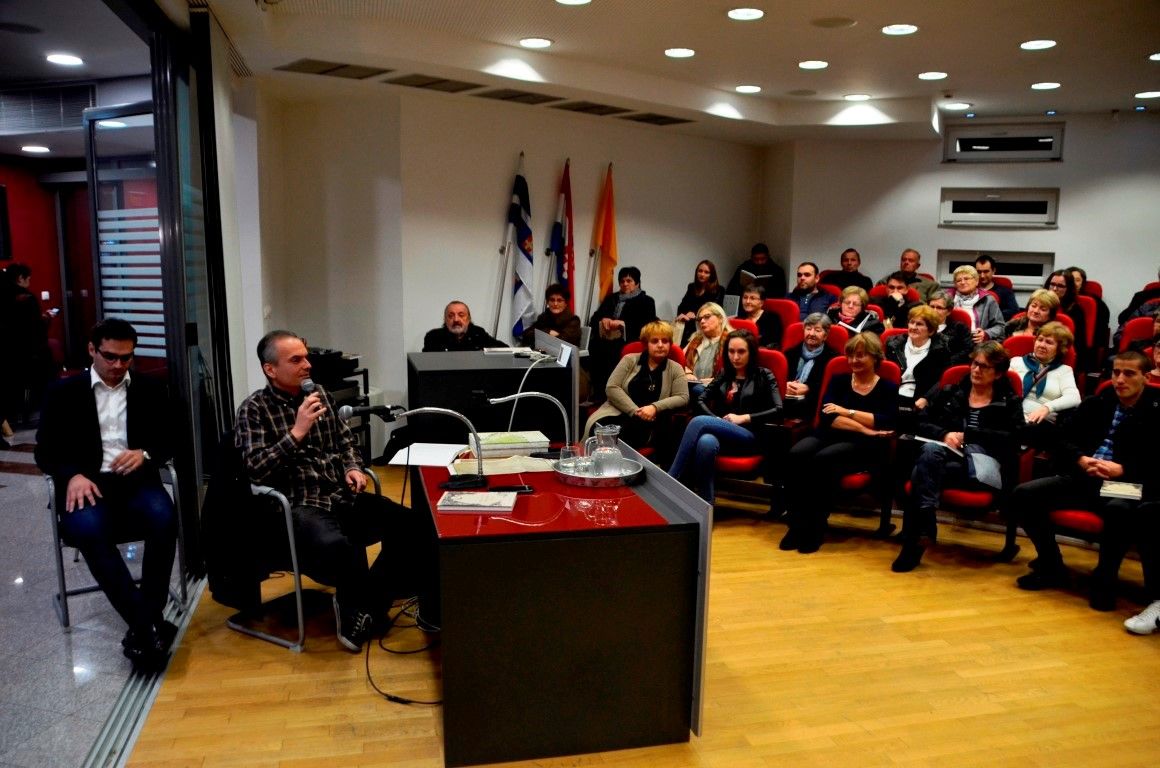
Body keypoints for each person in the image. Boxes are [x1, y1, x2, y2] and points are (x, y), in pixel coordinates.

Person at [236, 330, 433, 651]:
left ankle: (368, 605)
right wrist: (297, 431)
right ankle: (358, 611)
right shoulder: (254, 409)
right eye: (296, 360)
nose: (307, 365)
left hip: (340, 496)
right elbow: (255, 469)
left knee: (414, 526)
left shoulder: (321, 396)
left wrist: (353, 466)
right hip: (298, 504)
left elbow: (346, 442)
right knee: (338, 547)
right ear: (270, 369)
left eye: (306, 357)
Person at [34, 319, 178, 671]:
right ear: (92, 350)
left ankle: (146, 621)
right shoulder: (63, 392)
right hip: (87, 483)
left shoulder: (150, 389)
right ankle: (147, 624)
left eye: (126, 358)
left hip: (135, 481)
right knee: (88, 529)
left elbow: (173, 438)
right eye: (110, 356)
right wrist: (71, 475)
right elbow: (44, 450)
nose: (118, 365)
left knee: (164, 518)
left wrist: (145, 453)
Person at [1012, 351, 1159, 612]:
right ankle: (1051, 564)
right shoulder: (1097, 402)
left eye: (1129, 374)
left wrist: (1123, 469)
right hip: (1086, 477)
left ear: (1146, 377)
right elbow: (1063, 438)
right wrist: (1080, 459)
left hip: (1128, 485)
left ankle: (1105, 579)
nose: (1120, 380)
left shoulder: (1156, 411)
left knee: (1118, 509)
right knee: (1024, 494)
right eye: (1116, 372)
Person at [892, 341, 1023, 572]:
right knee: (930, 453)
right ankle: (924, 526)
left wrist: (970, 435)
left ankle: (916, 540)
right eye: (974, 363)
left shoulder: (1008, 401)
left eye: (984, 366)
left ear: (998, 373)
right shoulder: (952, 392)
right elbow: (920, 421)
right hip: (946, 460)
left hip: (984, 466)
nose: (976, 370)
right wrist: (944, 434)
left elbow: (1014, 439)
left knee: (921, 471)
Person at [780, 332, 898, 553]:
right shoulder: (839, 380)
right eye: (850, 355)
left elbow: (885, 421)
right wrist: (863, 425)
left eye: (860, 355)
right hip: (832, 433)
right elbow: (828, 417)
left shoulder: (888, 388)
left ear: (875, 357)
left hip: (864, 445)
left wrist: (846, 411)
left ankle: (816, 526)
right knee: (797, 453)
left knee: (823, 459)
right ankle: (796, 524)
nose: (853, 360)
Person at [667, 330, 782, 503]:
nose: (735, 357)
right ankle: (707, 504)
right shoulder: (724, 373)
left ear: (751, 352)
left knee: (698, 421)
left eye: (741, 352)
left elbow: (778, 409)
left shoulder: (764, 375)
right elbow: (701, 399)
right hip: (723, 433)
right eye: (731, 351)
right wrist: (715, 420)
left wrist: (744, 417)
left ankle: (671, 481)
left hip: (750, 435)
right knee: (706, 442)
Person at [584, 321, 689, 454]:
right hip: (620, 412)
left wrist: (654, 407)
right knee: (599, 431)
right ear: (646, 344)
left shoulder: (675, 368)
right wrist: (635, 411)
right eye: (654, 341)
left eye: (665, 341)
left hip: (653, 419)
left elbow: (683, 397)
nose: (660, 345)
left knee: (627, 436)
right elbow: (612, 387)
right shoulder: (629, 360)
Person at [587, 266, 658, 401]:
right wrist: (604, 320)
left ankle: (615, 396)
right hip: (606, 341)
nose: (625, 284)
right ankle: (599, 394)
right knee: (593, 348)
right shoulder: (611, 298)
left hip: (630, 341)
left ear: (637, 283)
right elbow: (594, 319)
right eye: (622, 281)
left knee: (615, 353)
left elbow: (647, 326)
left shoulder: (647, 301)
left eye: (629, 281)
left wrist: (623, 324)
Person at [2, 262, 53, 429]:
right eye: (28, 278)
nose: (29, 282)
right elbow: (34, 327)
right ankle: (29, 416)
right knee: (33, 383)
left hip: (7, 350)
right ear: (20, 278)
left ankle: (13, 417)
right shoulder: (27, 298)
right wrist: (46, 319)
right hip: (29, 351)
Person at [1008, 321, 1081, 425]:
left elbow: (1074, 398)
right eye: (1040, 340)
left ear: (1059, 349)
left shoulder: (1064, 370)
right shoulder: (1016, 362)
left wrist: (1047, 407)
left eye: (1049, 342)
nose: (1042, 345)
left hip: (1041, 423)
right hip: (1012, 416)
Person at [884, 305, 951, 413]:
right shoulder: (893, 345)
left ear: (931, 330)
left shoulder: (941, 349)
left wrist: (926, 398)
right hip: (891, 395)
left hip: (920, 400)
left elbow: (942, 380)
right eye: (912, 322)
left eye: (919, 324)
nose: (913, 327)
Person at [783, 312, 837, 420]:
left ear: (825, 335)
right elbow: (778, 378)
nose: (811, 333)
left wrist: (809, 388)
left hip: (812, 403)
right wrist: (785, 385)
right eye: (808, 329)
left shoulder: (832, 359)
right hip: (786, 396)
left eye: (817, 330)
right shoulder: (789, 353)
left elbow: (832, 388)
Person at [683, 302, 733, 399]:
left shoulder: (731, 340)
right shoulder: (696, 340)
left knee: (697, 390)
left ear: (720, 318)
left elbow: (738, 371)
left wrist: (716, 381)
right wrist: (687, 372)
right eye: (699, 319)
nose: (702, 321)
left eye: (707, 317)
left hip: (718, 387)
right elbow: (678, 361)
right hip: (692, 385)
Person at [674, 260, 725, 346]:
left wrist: (695, 315)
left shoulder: (719, 290)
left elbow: (714, 312)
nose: (702, 274)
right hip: (689, 324)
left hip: (705, 326)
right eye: (700, 271)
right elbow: (682, 306)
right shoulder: (691, 287)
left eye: (706, 272)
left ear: (712, 275)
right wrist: (684, 314)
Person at [1044, 270, 1089, 366]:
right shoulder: (1040, 305)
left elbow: (1078, 344)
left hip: (1062, 355)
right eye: (1052, 284)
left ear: (1068, 289)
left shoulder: (1076, 311)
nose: (1054, 289)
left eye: (1060, 286)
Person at [951, 265, 1005, 343]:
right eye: (959, 280)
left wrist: (986, 334)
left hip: (979, 343)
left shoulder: (988, 300)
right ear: (955, 284)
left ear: (976, 281)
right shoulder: (948, 299)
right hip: (953, 342)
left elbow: (1000, 326)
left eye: (966, 279)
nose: (962, 282)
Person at [423, 300, 504, 352]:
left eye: (461, 315)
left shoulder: (478, 334)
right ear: (445, 319)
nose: (456, 319)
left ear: (468, 319)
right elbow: (426, 364)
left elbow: (505, 349)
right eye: (451, 316)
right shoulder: (434, 337)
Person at [520, 283, 581, 347]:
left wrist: (540, 335)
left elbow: (561, 342)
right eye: (552, 300)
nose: (555, 304)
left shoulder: (573, 320)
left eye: (559, 300)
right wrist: (548, 332)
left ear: (565, 304)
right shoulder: (543, 317)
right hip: (541, 351)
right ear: (547, 302)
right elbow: (526, 334)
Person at [1067, 266, 1109, 352]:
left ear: (1083, 282)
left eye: (1077, 280)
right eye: (1071, 280)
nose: (1074, 283)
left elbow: (1102, 327)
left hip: (1085, 345)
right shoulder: (1058, 299)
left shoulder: (1095, 301)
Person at [928, 291, 974, 366]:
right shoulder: (920, 326)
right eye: (931, 307)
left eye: (939, 308)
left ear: (948, 311)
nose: (934, 311)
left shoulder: (959, 328)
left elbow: (968, 350)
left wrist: (946, 363)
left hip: (949, 367)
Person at [735, 285, 782, 349]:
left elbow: (775, 345)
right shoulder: (738, 319)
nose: (747, 301)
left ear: (761, 302)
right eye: (745, 297)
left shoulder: (772, 318)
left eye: (752, 298)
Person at [974, 255, 1020, 320]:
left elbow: (1014, 311)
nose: (982, 276)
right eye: (979, 272)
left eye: (986, 271)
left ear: (993, 270)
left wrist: (991, 315)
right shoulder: (970, 290)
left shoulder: (1005, 291)